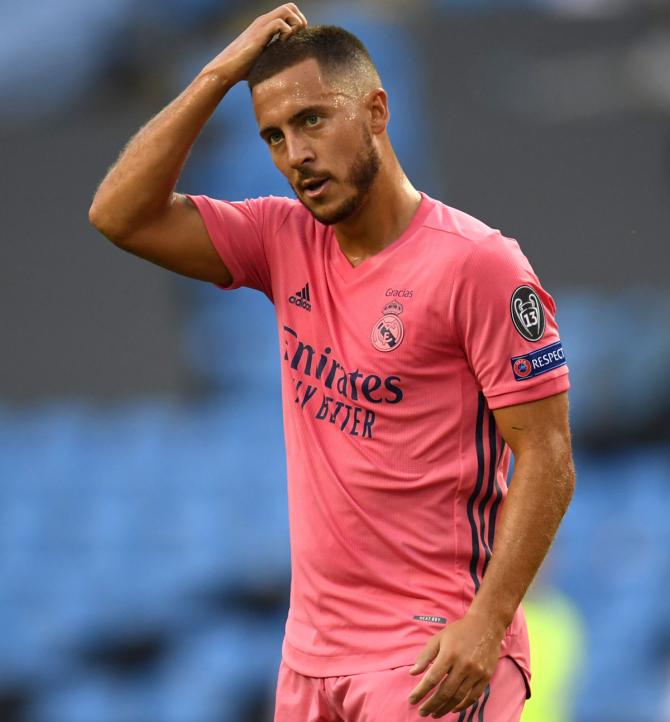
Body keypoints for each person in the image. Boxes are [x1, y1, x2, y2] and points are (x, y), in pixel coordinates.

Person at [88, 5, 575, 720]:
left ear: (377, 110)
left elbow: (549, 455)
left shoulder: (480, 265)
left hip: (427, 654)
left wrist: (489, 621)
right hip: (311, 661)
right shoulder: (281, 238)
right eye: (274, 136)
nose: (295, 155)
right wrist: (220, 74)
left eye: (313, 120)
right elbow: (118, 214)